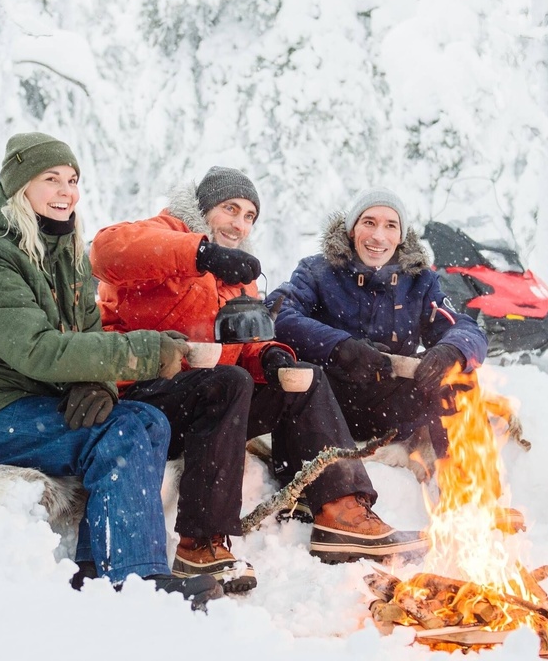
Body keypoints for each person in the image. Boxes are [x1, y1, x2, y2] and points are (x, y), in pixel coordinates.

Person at [0, 132, 221, 606]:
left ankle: (98, 566)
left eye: (72, 180)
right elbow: (37, 350)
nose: (66, 191)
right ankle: (135, 580)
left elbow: (88, 331)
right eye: (51, 179)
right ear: (20, 188)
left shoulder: (66, 249)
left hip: (26, 399)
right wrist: (144, 351)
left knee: (148, 420)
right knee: (116, 434)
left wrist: (100, 384)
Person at [90, 167, 427, 592]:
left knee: (304, 378)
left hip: (209, 403)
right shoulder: (165, 233)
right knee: (227, 382)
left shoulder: (238, 274)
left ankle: (342, 511)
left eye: (249, 215)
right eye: (231, 209)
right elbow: (105, 252)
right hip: (143, 396)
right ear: (204, 208)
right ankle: (200, 543)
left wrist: (270, 358)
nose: (239, 223)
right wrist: (200, 253)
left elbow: (244, 343)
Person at [268, 188, 489, 465]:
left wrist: (450, 351)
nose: (378, 236)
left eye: (390, 226)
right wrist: (341, 347)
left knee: (459, 374)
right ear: (352, 230)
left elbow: (465, 329)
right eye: (369, 222)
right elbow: (278, 315)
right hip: (327, 403)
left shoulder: (420, 280)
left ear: (400, 236)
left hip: (392, 407)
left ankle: (467, 489)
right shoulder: (317, 270)